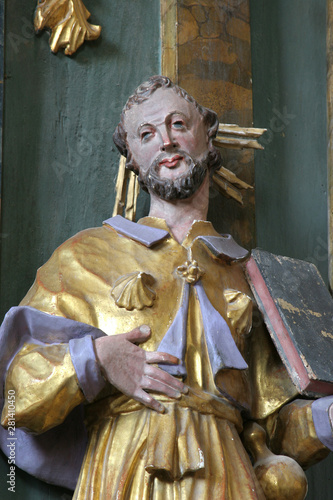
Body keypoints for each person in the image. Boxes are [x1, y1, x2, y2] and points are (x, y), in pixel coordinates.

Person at [0, 76, 332, 499]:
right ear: (133, 160)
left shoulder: (250, 274)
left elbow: (272, 429)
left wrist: (327, 419)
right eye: (147, 133)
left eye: (179, 125)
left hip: (226, 477)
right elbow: (13, 402)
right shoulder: (83, 257)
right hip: (123, 473)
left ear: (208, 139)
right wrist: (97, 358)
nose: (166, 141)